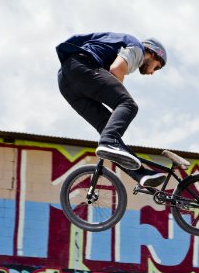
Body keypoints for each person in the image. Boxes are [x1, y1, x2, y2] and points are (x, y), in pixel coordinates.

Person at [56, 32, 168, 188]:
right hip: (81, 66)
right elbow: (117, 69)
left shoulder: (125, 48)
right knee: (128, 105)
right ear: (154, 53)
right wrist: (119, 102)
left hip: (65, 82)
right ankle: (109, 141)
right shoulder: (138, 49)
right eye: (157, 67)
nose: (152, 73)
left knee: (108, 128)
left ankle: (141, 175)